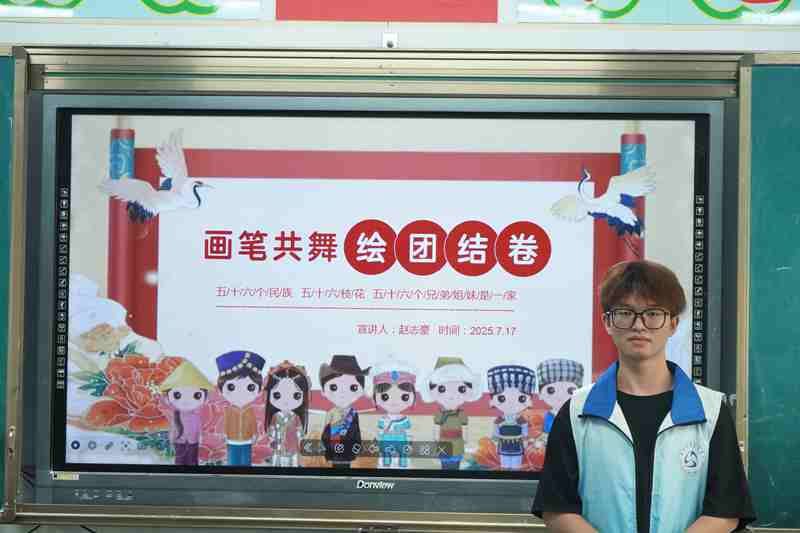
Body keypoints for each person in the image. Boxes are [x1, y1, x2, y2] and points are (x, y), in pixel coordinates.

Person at [532, 260, 755, 533]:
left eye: (653, 313)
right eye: (625, 313)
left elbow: (725, 512)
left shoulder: (710, 411)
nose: (639, 325)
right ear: (607, 322)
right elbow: (557, 509)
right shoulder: (576, 412)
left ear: (673, 324)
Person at [215, 350, 266, 466]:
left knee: (245, 462)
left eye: (250, 387)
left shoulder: (249, 410)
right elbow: (225, 423)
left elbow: (253, 423)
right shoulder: (228, 411)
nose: (241, 394)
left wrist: (255, 434)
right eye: (231, 387)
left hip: (247, 440)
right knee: (233, 462)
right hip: (231, 440)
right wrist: (224, 434)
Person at [320, 354, 370, 468]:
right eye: (334, 387)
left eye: (353, 388)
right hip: (333, 448)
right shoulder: (331, 412)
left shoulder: (353, 413)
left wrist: (356, 447)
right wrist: (327, 445)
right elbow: (325, 431)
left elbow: (356, 432)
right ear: (323, 390)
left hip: (348, 450)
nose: (342, 394)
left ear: (361, 390)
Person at [159, 360, 213, 466]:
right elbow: (173, 430)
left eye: (196, 395)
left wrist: (201, 438)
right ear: (167, 397)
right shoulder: (176, 415)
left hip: (193, 441)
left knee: (193, 460)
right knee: (180, 460)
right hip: (179, 441)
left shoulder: (196, 416)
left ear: (205, 397)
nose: (186, 401)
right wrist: (172, 438)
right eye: (177, 395)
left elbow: (199, 429)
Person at [487, 364, 536, 470]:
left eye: (521, 398)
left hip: (517, 446)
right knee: (504, 466)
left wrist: (526, 442)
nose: (511, 403)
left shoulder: (522, 421)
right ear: (492, 401)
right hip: (503, 446)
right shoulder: (498, 420)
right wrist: (494, 443)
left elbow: (525, 434)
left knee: (516, 467)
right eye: (501, 398)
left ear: (529, 401)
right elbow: (495, 434)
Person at [265, 360, 309, 467]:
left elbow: (300, 433)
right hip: (279, 446)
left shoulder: (296, 417)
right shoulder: (276, 416)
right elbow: (271, 431)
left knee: (293, 465)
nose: (286, 401)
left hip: (292, 446)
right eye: (277, 395)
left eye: (296, 396)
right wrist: (272, 438)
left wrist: (299, 438)